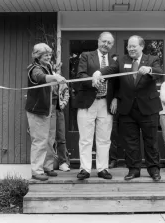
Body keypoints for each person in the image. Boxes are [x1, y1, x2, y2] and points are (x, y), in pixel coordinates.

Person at [93, 35, 163, 181]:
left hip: (148, 108)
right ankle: (134, 169)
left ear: (141, 46)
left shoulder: (152, 59)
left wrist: (150, 69)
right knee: (130, 141)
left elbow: (159, 72)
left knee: (151, 140)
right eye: (129, 46)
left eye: (133, 46)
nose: (130, 49)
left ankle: (154, 169)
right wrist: (99, 73)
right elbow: (111, 69)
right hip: (127, 108)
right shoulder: (122, 60)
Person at [74, 32, 118, 180]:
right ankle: (85, 169)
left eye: (109, 42)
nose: (106, 44)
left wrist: (116, 98)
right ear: (98, 41)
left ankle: (102, 169)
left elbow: (117, 83)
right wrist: (91, 80)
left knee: (104, 139)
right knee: (86, 138)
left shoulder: (114, 61)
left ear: (112, 45)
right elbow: (80, 76)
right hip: (87, 102)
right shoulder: (86, 56)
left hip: (106, 102)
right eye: (103, 41)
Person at [25, 43, 66, 181]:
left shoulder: (48, 66)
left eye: (49, 54)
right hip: (38, 110)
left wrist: (55, 75)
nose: (48, 57)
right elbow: (41, 77)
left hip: (51, 108)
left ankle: (48, 167)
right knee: (39, 140)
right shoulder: (34, 69)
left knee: (50, 139)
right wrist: (56, 78)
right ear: (38, 56)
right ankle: (37, 171)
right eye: (45, 55)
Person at [54, 80, 71, 172]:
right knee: (46, 138)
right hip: (46, 111)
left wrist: (63, 104)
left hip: (58, 111)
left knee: (61, 137)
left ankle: (62, 162)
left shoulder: (61, 80)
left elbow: (66, 93)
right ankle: (46, 164)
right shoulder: (44, 75)